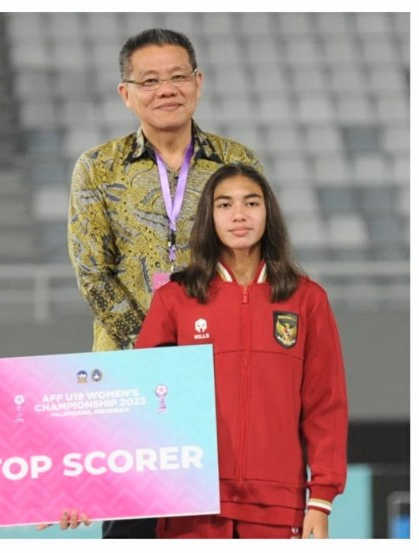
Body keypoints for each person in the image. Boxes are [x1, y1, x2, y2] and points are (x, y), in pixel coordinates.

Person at [68, 28, 263, 538]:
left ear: (198, 83)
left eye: (178, 76)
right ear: (126, 93)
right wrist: (156, 350)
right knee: (133, 525)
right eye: (150, 80)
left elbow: (252, 261)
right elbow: (93, 271)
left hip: (221, 373)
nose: (166, 89)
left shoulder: (236, 162)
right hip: (131, 379)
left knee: (219, 523)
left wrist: (203, 352)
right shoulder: (96, 169)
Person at [135, 163, 348, 538]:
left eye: (251, 203)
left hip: (277, 506)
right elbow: (139, 403)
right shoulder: (175, 299)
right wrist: (89, 487)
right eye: (224, 205)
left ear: (268, 213)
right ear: (209, 217)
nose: (239, 215)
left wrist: (321, 498)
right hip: (193, 504)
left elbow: (325, 405)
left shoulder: (306, 300)